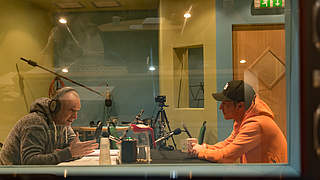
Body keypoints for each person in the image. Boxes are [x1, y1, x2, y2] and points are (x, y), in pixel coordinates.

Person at [190, 80, 287, 163]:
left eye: (225, 104)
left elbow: (227, 156)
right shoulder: (243, 119)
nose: (220, 108)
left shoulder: (256, 125)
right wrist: (205, 147)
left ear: (240, 106)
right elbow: (228, 144)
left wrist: (200, 152)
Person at [0, 87, 98, 165]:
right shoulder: (35, 122)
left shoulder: (63, 124)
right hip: (10, 175)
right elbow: (30, 161)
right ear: (55, 107)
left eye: (77, 111)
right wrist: (67, 153)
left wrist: (65, 153)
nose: (75, 116)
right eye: (71, 110)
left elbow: (76, 150)